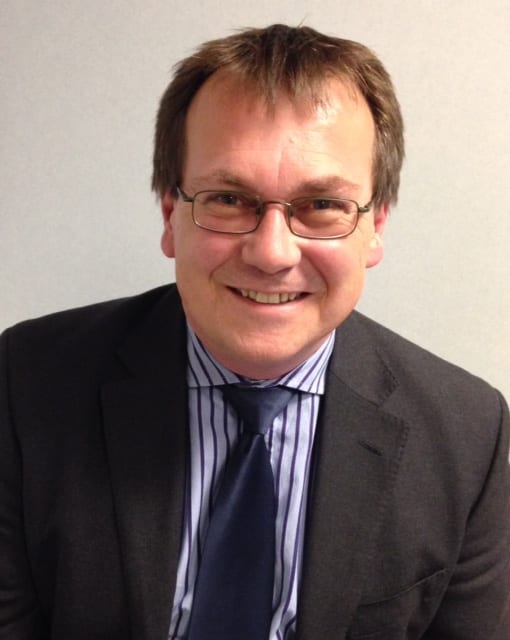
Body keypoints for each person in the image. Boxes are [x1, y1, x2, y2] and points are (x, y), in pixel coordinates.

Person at [0, 24, 508, 640]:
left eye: (322, 205)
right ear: (171, 215)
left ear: (374, 227)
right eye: (229, 199)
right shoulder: (25, 385)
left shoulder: (468, 435)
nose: (272, 253)